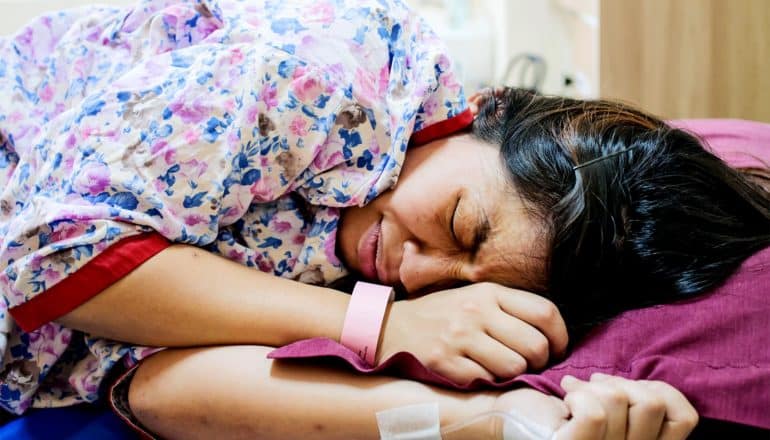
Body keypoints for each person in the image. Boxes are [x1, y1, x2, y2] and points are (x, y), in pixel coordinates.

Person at [0, 0, 767, 438]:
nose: (422, 274)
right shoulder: (329, 76)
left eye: (460, 283)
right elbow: (54, 255)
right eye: (467, 230)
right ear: (493, 116)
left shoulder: (422, 275)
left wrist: (508, 421)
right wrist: (377, 324)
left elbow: (162, 386)